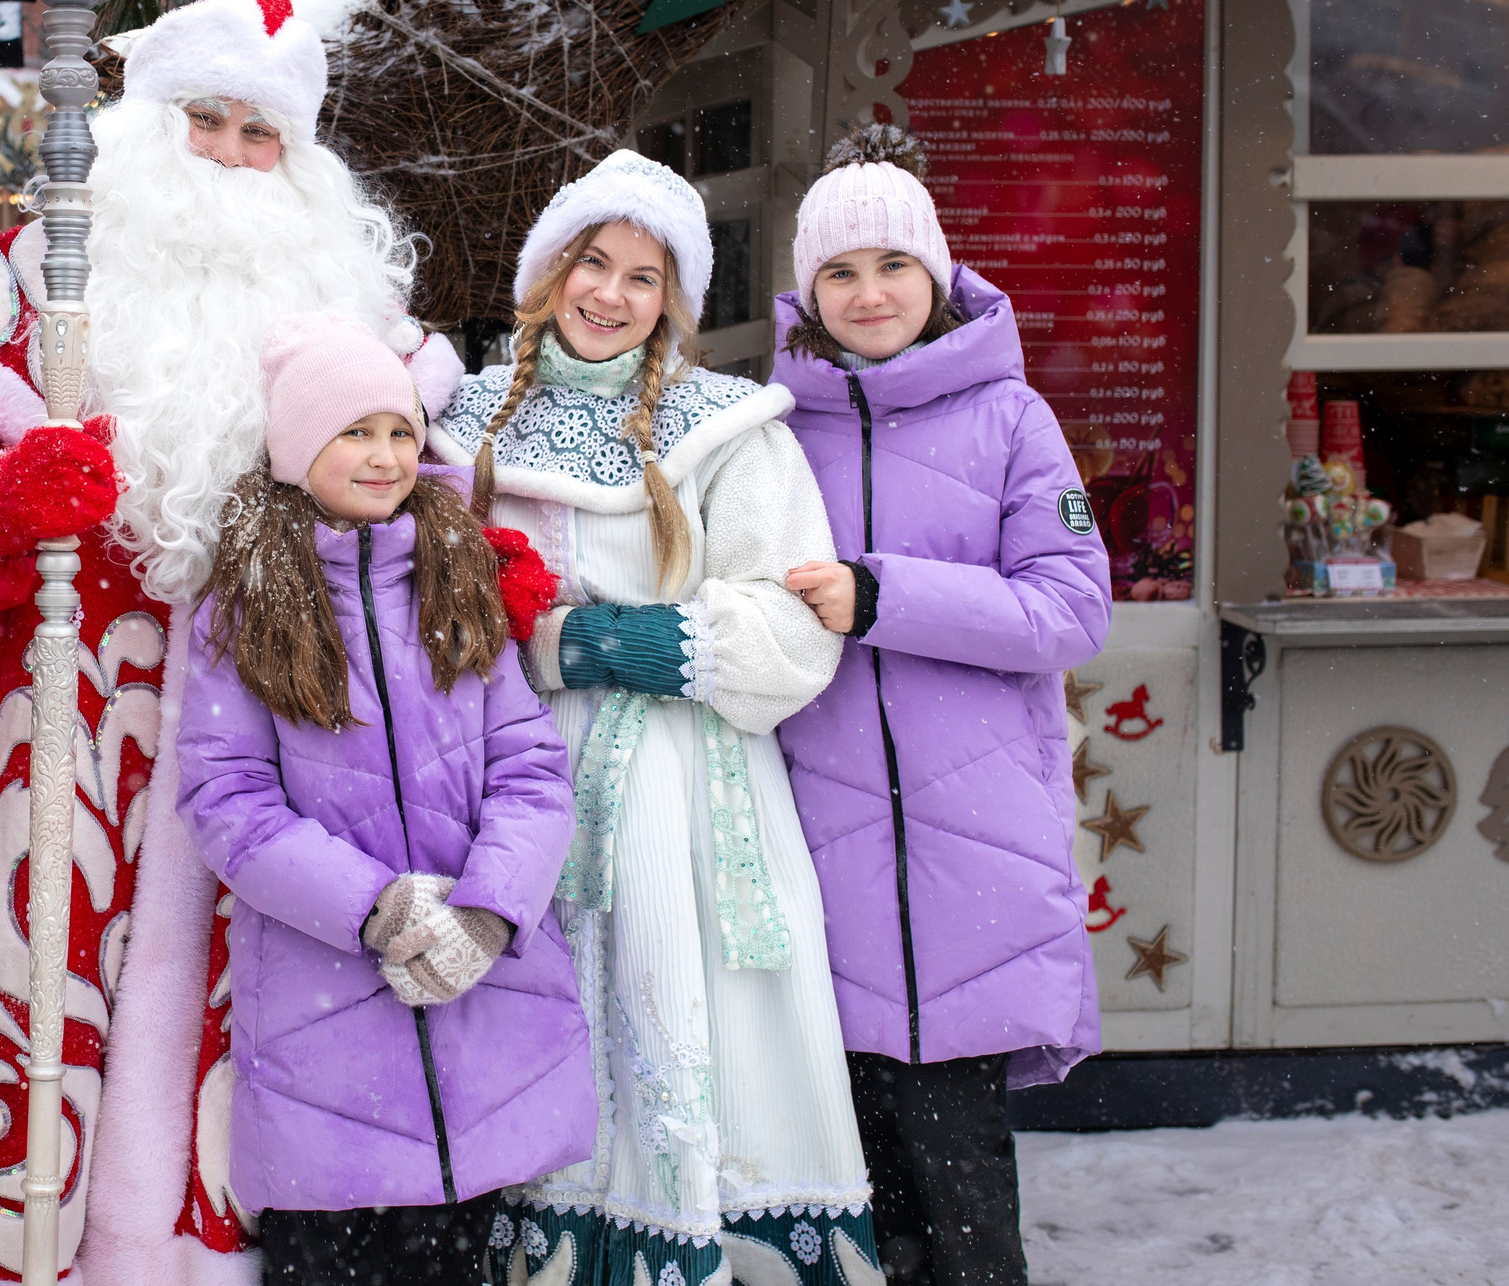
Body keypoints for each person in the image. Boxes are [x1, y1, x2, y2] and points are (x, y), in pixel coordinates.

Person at [0, 0, 465, 1286]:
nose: (238, 159)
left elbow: (432, 523)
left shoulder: (366, 326)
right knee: (40, 1001)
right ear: (143, 120)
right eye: (210, 119)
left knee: (250, 1028)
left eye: (266, 135)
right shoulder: (21, 288)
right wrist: (3, 500)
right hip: (72, 711)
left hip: (285, 738)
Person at [432, 149, 877, 1286]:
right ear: (550, 273)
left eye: (644, 276)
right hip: (520, 782)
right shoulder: (457, 424)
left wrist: (644, 642)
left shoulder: (727, 427)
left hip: (691, 787)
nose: (611, 295)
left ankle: (695, 1242)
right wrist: (545, 643)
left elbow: (795, 622)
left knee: (689, 1019)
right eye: (593, 262)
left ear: (673, 299)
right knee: (543, 1027)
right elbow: (425, 603)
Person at [176, 313, 593, 1286]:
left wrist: (487, 913)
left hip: (480, 1021)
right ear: (295, 448)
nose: (384, 455)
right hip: (331, 1030)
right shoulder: (243, 598)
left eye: (400, 431)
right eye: (354, 432)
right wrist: (378, 906)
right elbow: (226, 798)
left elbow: (528, 764)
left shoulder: (456, 576)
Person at [772, 124, 1110, 1286]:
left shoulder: (1011, 420)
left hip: (968, 861)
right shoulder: (767, 433)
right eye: (839, 272)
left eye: (892, 266)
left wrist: (880, 595)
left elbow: (1068, 609)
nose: (869, 295)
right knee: (855, 1216)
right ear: (806, 292)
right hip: (814, 858)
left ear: (937, 274)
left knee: (965, 1201)